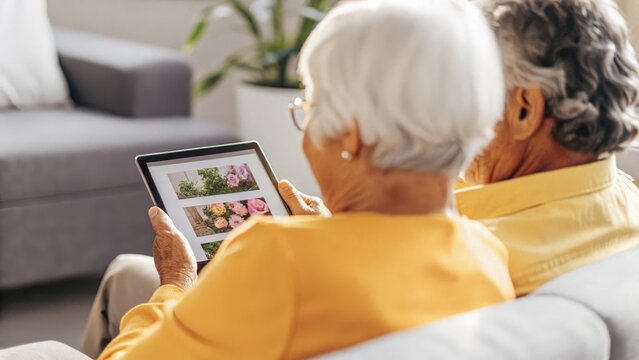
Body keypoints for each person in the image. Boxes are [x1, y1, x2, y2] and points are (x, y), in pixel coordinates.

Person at [88, 0, 513, 359]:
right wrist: (335, 230)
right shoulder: (488, 253)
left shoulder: (280, 256)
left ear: (351, 134)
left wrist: (176, 284)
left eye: (308, 108)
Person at [285, 0, 639, 295]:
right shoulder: (625, 202)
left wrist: (333, 249)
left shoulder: (479, 266)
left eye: (467, 89)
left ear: (524, 109)